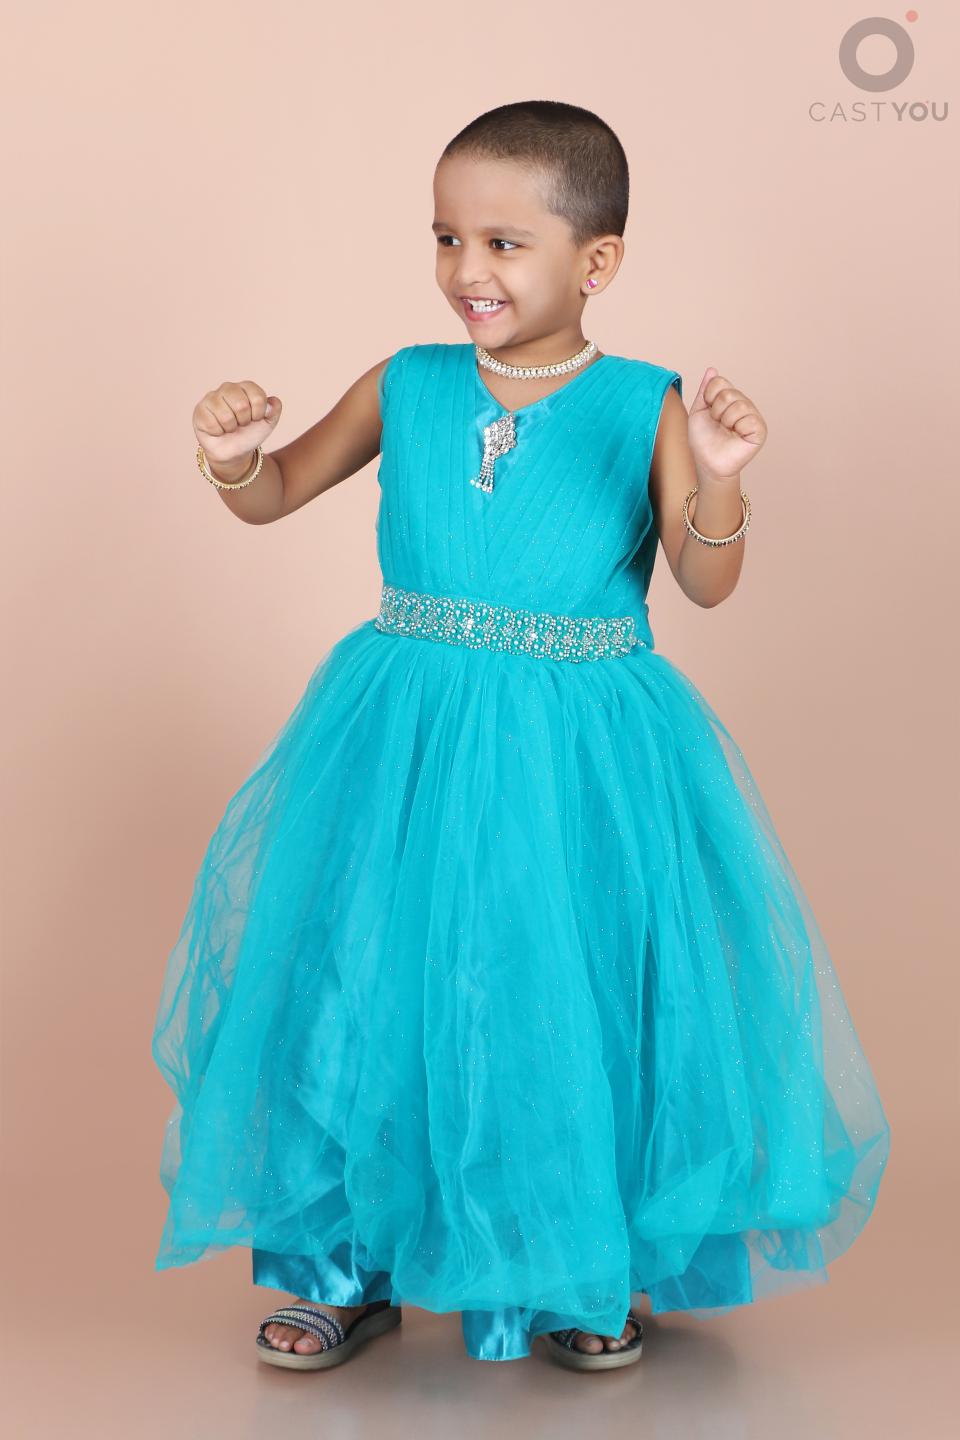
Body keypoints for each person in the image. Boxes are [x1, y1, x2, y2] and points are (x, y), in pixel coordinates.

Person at [151, 100, 890, 1373]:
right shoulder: (407, 382)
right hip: (402, 735)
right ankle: (343, 1264)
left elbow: (707, 583)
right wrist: (233, 460)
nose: (467, 271)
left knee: (557, 993)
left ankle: (568, 1267)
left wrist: (718, 475)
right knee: (361, 982)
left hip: (575, 754)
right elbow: (276, 493)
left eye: (504, 243)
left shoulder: (647, 403)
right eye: (446, 237)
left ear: (596, 261)